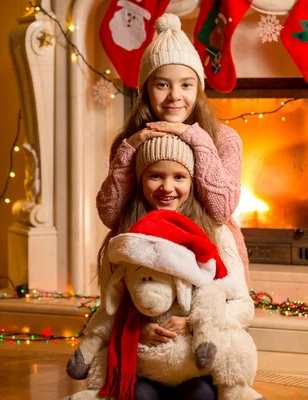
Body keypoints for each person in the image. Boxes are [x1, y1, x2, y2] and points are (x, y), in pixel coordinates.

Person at [91, 134, 254, 400]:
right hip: (145, 362)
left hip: (196, 363)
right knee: (140, 396)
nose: (167, 187)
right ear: (140, 179)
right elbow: (109, 307)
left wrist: (194, 323)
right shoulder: (125, 237)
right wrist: (137, 328)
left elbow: (244, 306)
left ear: (192, 180)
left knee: (200, 395)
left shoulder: (215, 231)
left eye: (179, 177)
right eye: (155, 176)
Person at [96, 13, 251, 291]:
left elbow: (220, 210)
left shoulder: (224, 139)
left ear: (198, 89)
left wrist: (197, 139)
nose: (174, 96)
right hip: (147, 265)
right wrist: (129, 150)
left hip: (210, 264)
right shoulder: (129, 141)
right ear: (146, 90)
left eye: (186, 84)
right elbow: (110, 215)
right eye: (162, 84)